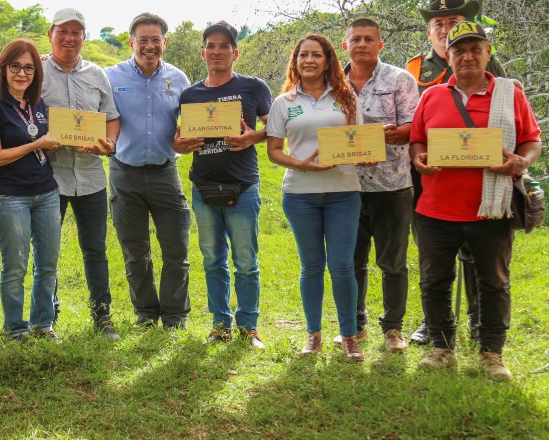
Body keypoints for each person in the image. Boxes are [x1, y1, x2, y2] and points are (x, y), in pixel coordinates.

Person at [410, 21, 541, 381]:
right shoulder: (432, 96)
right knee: (434, 280)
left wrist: (522, 161)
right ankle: (441, 348)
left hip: (492, 210)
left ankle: (491, 354)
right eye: (458, 50)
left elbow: (532, 139)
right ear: (448, 56)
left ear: (487, 53)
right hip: (436, 209)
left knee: (494, 282)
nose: (466, 56)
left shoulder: (510, 93)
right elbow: (418, 140)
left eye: (474, 49)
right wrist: (419, 158)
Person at [406, 0, 506, 345]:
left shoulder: (488, 63)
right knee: (433, 253)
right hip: (430, 176)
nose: (446, 29)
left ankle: (480, 316)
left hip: (482, 174)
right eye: (439, 24)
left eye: (453, 23)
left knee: (481, 252)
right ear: (430, 31)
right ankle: (432, 321)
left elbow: (506, 116)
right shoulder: (415, 70)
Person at [266, 34, 365, 362]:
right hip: (300, 194)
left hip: (343, 192)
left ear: (328, 60)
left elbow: (358, 141)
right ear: (295, 61)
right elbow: (274, 151)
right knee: (311, 266)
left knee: (341, 266)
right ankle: (313, 335)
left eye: (316, 55)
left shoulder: (347, 97)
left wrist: (365, 153)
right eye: (303, 55)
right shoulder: (283, 102)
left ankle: (349, 336)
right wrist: (302, 163)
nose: (309, 60)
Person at [174, 21, 271, 348]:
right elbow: (178, 141)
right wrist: (182, 144)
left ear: (235, 52)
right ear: (203, 52)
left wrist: (250, 137)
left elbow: (274, 129)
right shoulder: (190, 94)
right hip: (203, 188)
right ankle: (219, 326)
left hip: (243, 186)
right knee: (213, 259)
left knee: (245, 261)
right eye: (211, 46)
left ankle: (248, 327)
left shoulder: (254, 88)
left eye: (223, 46)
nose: (216, 52)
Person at [104, 13, 192, 329]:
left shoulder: (179, 79)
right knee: (135, 251)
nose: (150, 46)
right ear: (131, 42)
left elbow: (191, 123)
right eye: (143, 40)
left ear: (164, 42)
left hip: (165, 173)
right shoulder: (110, 77)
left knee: (176, 248)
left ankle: (174, 316)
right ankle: (145, 313)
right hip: (123, 172)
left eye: (156, 39)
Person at [340, 18, 419, 353]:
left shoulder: (400, 79)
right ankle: (355, 326)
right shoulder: (334, 83)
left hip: (392, 186)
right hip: (346, 186)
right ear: (345, 45)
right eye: (355, 39)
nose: (361, 44)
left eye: (369, 39)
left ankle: (393, 329)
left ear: (380, 45)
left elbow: (414, 127)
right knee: (352, 262)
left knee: (392, 263)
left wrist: (390, 136)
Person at [42, 8, 122, 340]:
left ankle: (102, 318)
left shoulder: (97, 75)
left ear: (84, 38)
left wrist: (109, 144)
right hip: (49, 176)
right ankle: (47, 318)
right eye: (64, 31)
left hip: (91, 177)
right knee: (48, 249)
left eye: (77, 32)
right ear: (51, 34)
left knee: (95, 249)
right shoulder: (37, 71)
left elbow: (111, 118)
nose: (70, 38)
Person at [0, 39, 64, 341]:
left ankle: (43, 325)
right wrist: (39, 143)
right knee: (15, 267)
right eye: (15, 66)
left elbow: (39, 149)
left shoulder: (37, 104)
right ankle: (15, 329)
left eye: (29, 67)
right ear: (4, 68)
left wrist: (53, 143)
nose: (21, 73)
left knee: (48, 265)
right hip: (10, 196)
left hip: (47, 192)